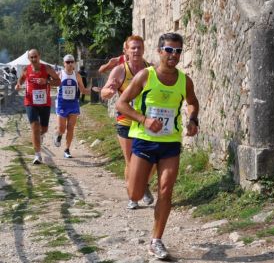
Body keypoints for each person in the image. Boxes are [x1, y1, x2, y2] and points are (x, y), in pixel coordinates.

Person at [116, 32, 199, 259]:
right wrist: (144, 120)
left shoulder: (184, 81)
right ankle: (143, 178)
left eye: (178, 51)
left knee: (166, 190)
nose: (173, 55)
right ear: (160, 51)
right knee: (134, 193)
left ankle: (156, 240)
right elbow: (121, 104)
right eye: (169, 50)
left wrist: (193, 120)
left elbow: (192, 103)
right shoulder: (145, 76)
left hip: (170, 142)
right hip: (144, 141)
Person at [101, 35, 155, 210]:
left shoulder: (150, 69)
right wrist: (108, 92)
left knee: (152, 160)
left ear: (144, 49)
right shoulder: (120, 70)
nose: (136, 51)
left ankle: (143, 185)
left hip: (146, 121)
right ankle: (132, 196)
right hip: (125, 121)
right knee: (131, 161)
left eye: (139, 47)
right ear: (126, 51)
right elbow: (105, 91)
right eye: (133, 48)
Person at [15, 49, 61, 164]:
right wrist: (18, 84)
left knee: (44, 129)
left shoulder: (47, 69)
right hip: (30, 102)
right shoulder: (27, 69)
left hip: (45, 103)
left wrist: (46, 81)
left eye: (35, 57)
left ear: (39, 56)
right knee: (35, 127)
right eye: (32, 57)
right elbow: (21, 78)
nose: (34, 59)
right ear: (29, 58)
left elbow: (58, 81)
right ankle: (37, 155)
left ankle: (40, 136)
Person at [53, 55, 90, 158]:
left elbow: (83, 90)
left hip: (73, 103)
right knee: (62, 128)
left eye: (71, 62)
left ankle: (67, 149)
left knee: (71, 127)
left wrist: (94, 90)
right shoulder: (59, 74)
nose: (70, 64)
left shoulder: (77, 75)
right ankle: (58, 134)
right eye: (67, 62)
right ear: (64, 63)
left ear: (74, 63)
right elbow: (49, 84)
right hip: (62, 104)